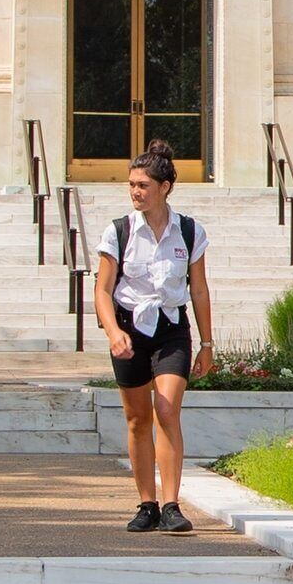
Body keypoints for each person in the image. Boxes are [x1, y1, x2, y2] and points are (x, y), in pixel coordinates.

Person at [95, 141, 216, 533]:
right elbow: (102, 289)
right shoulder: (119, 231)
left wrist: (207, 344)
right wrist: (114, 331)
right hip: (129, 329)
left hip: (171, 329)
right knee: (137, 419)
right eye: (131, 184)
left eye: (143, 185)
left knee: (167, 411)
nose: (135, 192)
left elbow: (198, 289)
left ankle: (171, 505)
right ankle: (146, 503)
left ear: (165, 187)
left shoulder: (189, 231)